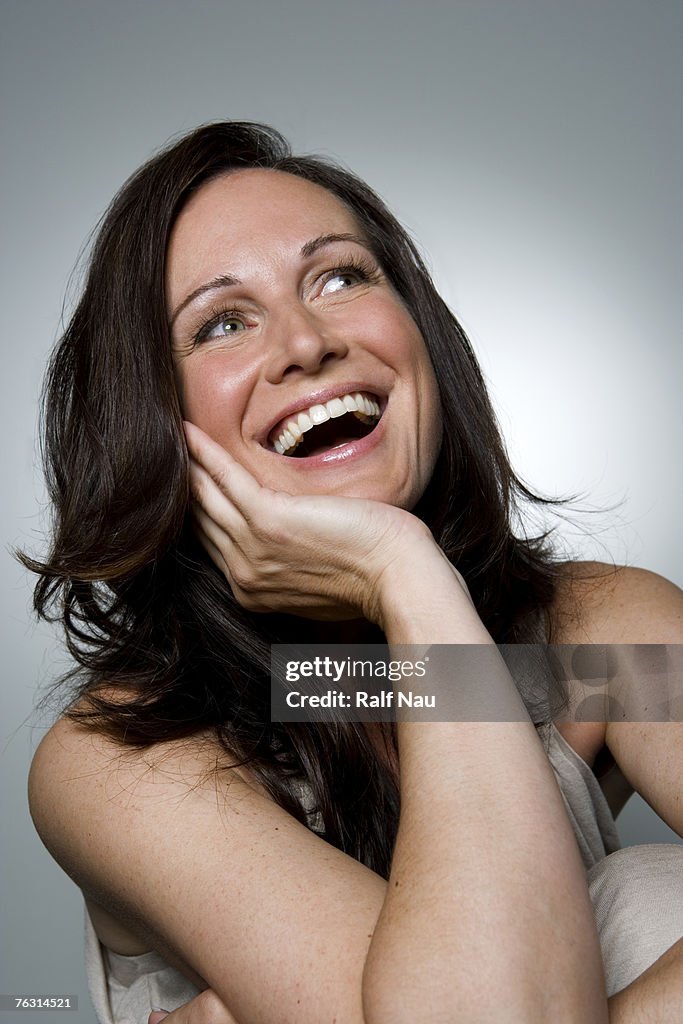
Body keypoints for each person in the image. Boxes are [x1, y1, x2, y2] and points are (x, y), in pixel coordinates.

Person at [26, 121, 683, 1024]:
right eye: (221, 323)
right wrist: (403, 575)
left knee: (647, 894)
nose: (305, 343)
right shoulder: (120, 760)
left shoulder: (591, 651)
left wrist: (406, 580)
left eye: (340, 277)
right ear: (149, 424)